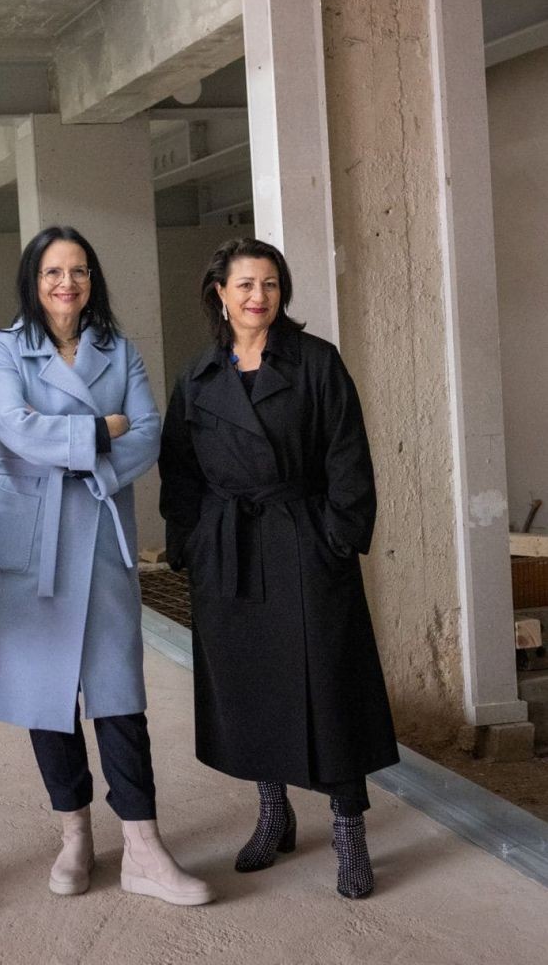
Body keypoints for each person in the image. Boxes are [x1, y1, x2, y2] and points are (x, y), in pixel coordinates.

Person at [0, 226, 213, 907]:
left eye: (77, 271)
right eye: (51, 272)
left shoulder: (116, 350)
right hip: (31, 532)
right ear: (32, 281)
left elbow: (150, 431)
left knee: (117, 692)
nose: (64, 283)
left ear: (91, 281)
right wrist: (99, 430)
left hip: (98, 524)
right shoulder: (3, 348)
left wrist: (82, 456)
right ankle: (73, 834)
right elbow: (13, 428)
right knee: (45, 695)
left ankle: (142, 847)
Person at [158, 237, 398, 900]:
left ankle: (348, 830)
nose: (257, 296)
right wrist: (191, 540)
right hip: (228, 549)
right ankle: (273, 814)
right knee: (250, 684)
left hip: (302, 541)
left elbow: (348, 453)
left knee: (329, 682)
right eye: (243, 285)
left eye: (268, 284)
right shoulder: (199, 373)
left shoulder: (316, 362)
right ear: (219, 293)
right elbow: (177, 465)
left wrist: (334, 536)